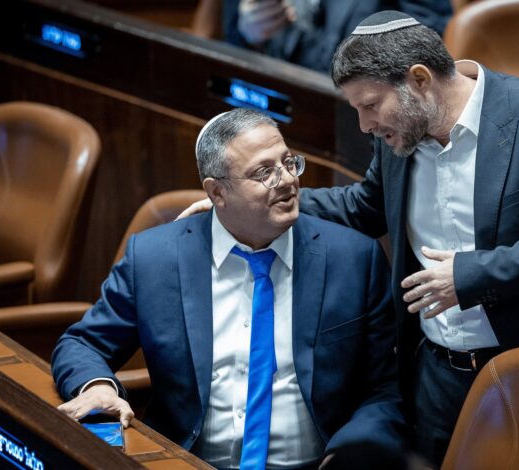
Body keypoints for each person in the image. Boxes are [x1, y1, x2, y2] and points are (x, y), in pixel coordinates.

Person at [180, 11, 519, 466]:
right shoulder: (401, 133)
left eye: (370, 105)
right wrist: (261, 203)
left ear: (419, 80)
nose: (364, 124)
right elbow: (366, 206)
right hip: (437, 374)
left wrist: (469, 275)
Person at [51, 108, 405, 469]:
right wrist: (98, 387)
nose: (287, 180)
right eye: (264, 172)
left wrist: (350, 454)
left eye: (288, 163)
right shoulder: (154, 259)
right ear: (217, 192)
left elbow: (386, 388)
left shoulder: (354, 259)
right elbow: (82, 343)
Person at [192, 0, 451, 72]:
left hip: (354, 128)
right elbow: (219, 47)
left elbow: (423, 43)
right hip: (256, 116)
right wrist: (248, 37)